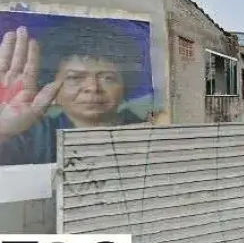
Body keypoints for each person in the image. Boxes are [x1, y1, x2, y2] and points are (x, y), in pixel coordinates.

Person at [0, 22, 151, 166]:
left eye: (107, 78)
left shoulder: (148, 131)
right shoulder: (31, 137)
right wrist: (4, 131)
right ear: (51, 86)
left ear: (125, 84)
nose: (92, 87)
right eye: (75, 77)